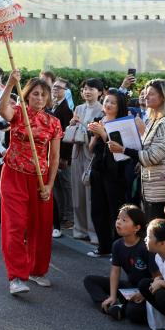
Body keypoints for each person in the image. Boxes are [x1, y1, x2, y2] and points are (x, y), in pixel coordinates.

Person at [0, 72, 63, 295]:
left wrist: (49, 185)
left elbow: (54, 157)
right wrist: (10, 84)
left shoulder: (54, 123)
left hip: (40, 178)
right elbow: (1, 109)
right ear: (27, 96)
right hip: (13, 175)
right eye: (35, 94)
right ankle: (15, 276)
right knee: (16, 224)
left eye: (44, 95)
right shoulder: (17, 113)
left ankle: (37, 270)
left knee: (41, 226)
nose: (40, 98)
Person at [115, 79, 165, 221]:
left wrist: (123, 149)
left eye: (151, 94)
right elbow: (146, 150)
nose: (145, 97)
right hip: (151, 190)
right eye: (145, 94)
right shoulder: (154, 120)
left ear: (163, 96)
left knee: (162, 239)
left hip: (164, 192)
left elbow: (152, 157)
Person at [82, 204, 156, 324]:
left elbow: (157, 277)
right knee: (89, 280)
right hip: (129, 288)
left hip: (147, 291)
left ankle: (119, 308)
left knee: (135, 313)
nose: (118, 222)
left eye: (124, 220)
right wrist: (112, 295)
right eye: (118, 218)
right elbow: (115, 271)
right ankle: (111, 304)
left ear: (137, 227)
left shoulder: (145, 247)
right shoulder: (117, 245)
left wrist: (143, 294)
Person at [85, 90, 137, 257]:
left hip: (117, 171)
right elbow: (91, 149)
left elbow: (121, 150)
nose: (108, 105)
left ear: (119, 106)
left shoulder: (123, 123)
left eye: (112, 103)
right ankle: (103, 246)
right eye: (106, 101)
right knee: (98, 209)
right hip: (99, 169)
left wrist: (102, 133)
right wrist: (94, 135)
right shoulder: (98, 120)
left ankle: (118, 249)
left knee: (117, 210)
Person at [67, 79, 105, 243]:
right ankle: (79, 228)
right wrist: (73, 123)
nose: (87, 92)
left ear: (100, 92)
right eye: (85, 89)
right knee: (77, 192)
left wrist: (85, 126)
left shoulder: (102, 109)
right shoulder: (78, 108)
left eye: (91, 89)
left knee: (91, 194)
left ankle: (93, 231)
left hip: (92, 155)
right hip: (77, 152)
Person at [48, 77, 74, 239]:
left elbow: (65, 134)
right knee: (56, 186)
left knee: (66, 186)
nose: (56, 89)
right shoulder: (53, 105)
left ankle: (69, 217)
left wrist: (64, 156)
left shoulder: (66, 109)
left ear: (66, 91)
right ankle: (63, 215)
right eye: (54, 87)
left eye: (59, 88)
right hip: (53, 154)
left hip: (62, 155)